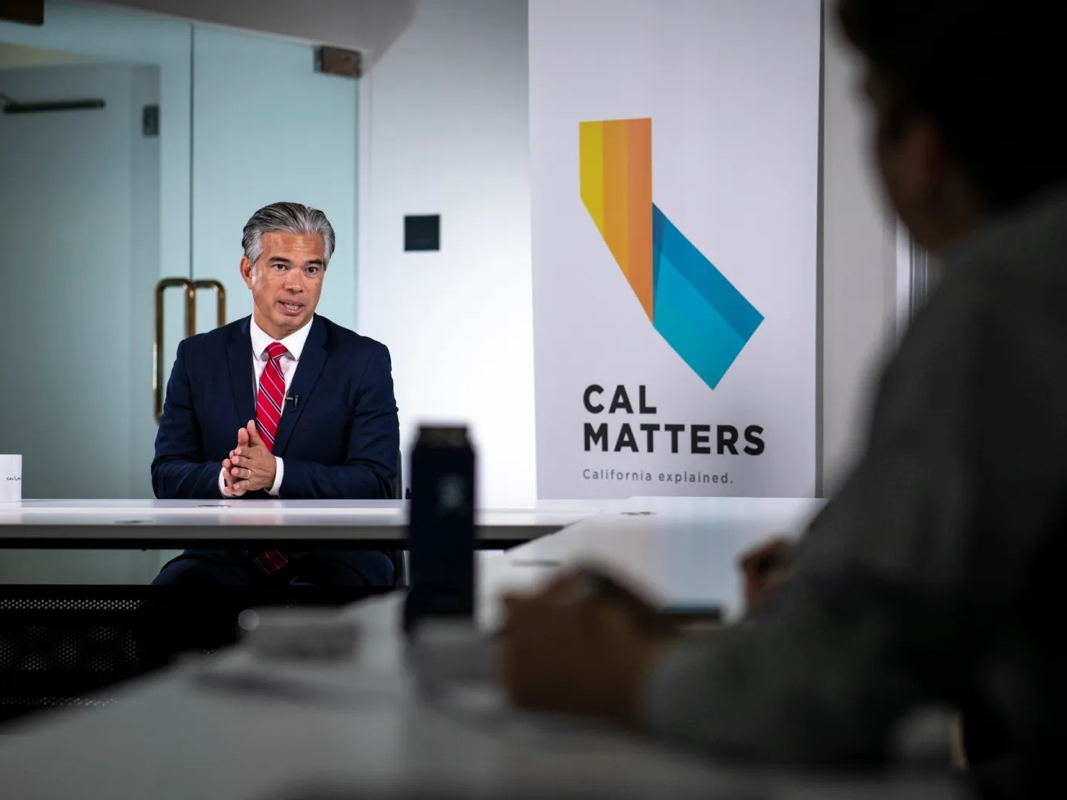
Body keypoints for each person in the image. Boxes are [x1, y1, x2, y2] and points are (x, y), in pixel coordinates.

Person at [499, 1, 1067, 795]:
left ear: (924, 152)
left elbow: (846, 677)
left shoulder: (1001, 303)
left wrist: (615, 675)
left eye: (869, 101)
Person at [151, 202, 400, 587]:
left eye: (311, 269)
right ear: (249, 271)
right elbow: (167, 473)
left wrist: (276, 473)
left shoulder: (363, 360)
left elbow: (376, 482)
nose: (296, 285)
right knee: (170, 600)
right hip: (225, 554)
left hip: (334, 553)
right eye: (281, 266)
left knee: (312, 605)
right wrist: (224, 477)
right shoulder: (198, 357)